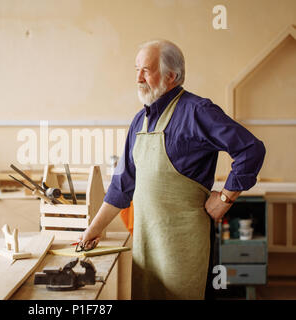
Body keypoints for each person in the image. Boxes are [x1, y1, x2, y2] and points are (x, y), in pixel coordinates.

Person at [79, 39, 266, 299]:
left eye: (145, 69)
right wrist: (93, 229)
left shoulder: (197, 112)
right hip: (146, 249)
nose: (138, 77)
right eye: (136, 69)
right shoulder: (138, 122)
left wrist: (225, 198)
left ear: (171, 76)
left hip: (182, 249)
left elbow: (251, 150)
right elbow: (122, 186)